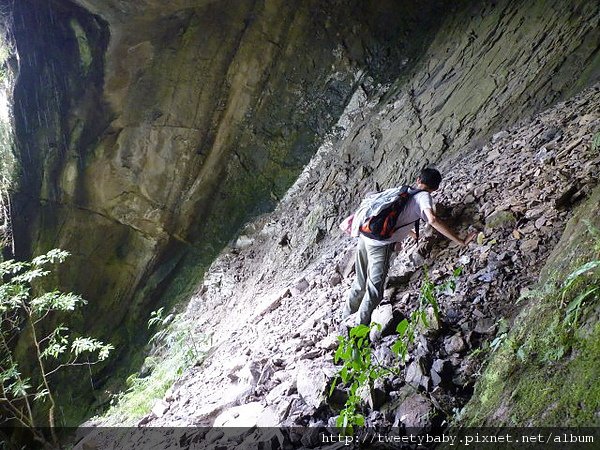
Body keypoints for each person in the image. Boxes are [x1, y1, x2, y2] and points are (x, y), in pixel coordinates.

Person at [342, 167, 476, 326]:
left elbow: (392, 214)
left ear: (418, 180)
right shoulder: (424, 197)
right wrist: (460, 241)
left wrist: (411, 234)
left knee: (360, 281)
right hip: (380, 245)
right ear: (436, 188)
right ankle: (357, 331)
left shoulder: (403, 190)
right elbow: (432, 220)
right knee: (374, 289)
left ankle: (345, 319)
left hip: (365, 236)